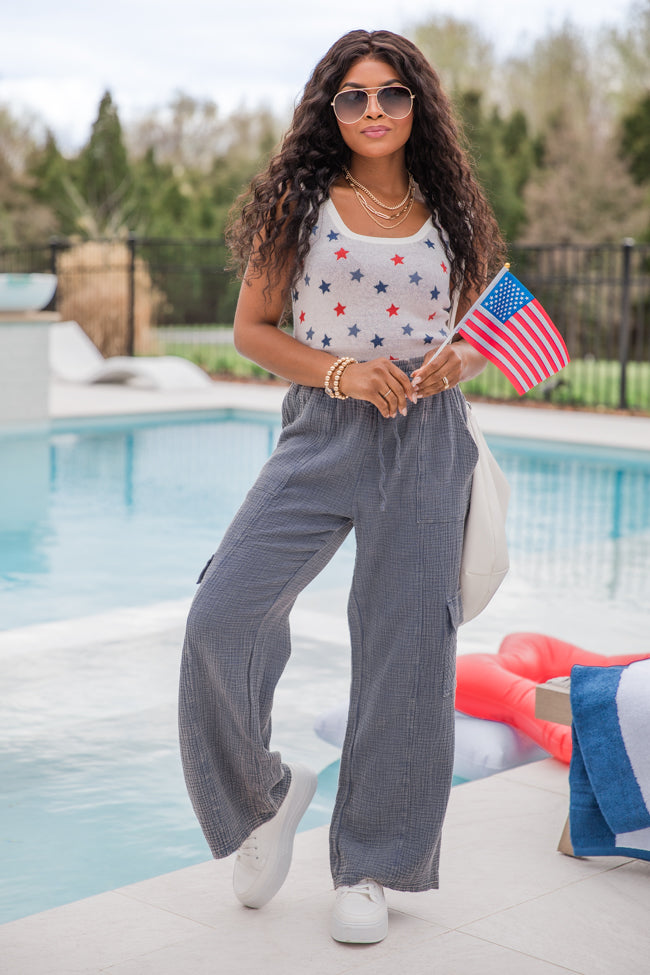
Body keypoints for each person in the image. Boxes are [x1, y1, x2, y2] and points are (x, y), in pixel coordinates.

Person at [179, 28, 504, 944]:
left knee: (406, 651)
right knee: (222, 613)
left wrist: (453, 366)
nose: (372, 111)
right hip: (322, 431)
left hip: (427, 441)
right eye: (353, 96)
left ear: (417, 107)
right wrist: (340, 372)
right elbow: (251, 328)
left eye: (391, 94)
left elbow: (478, 324)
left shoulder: (450, 208)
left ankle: (370, 865)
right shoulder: (300, 201)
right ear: (331, 109)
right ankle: (265, 799)